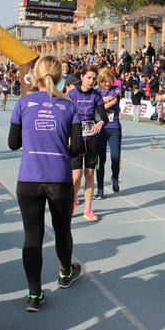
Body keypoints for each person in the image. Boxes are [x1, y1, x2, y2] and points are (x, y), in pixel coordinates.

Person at [8, 56, 84, 311]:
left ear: (35, 77)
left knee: (32, 236)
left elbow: (13, 143)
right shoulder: (70, 106)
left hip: (29, 179)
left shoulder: (23, 103)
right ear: (60, 76)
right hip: (59, 179)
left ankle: (34, 294)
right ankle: (65, 273)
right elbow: (79, 149)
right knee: (62, 230)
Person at [68, 65, 109, 222]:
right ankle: (72, 202)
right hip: (76, 137)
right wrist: (67, 137)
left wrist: (100, 123)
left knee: (89, 174)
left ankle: (88, 209)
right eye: (89, 78)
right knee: (76, 176)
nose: (91, 81)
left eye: (94, 78)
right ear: (82, 77)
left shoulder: (96, 95)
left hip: (92, 138)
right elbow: (66, 116)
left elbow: (103, 116)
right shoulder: (72, 94)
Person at [96, 68, 122, 199]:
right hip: (100, 129)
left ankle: (115, 177)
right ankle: (100, 189)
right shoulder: (95, 91)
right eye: (104, 82)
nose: (107, 84)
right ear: (100, 81)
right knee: (100, 160)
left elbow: (113, 102)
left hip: (114, 128)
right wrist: (101, 101)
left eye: (109, 81)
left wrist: (98, 104)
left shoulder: (116, 89)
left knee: (115, 157)